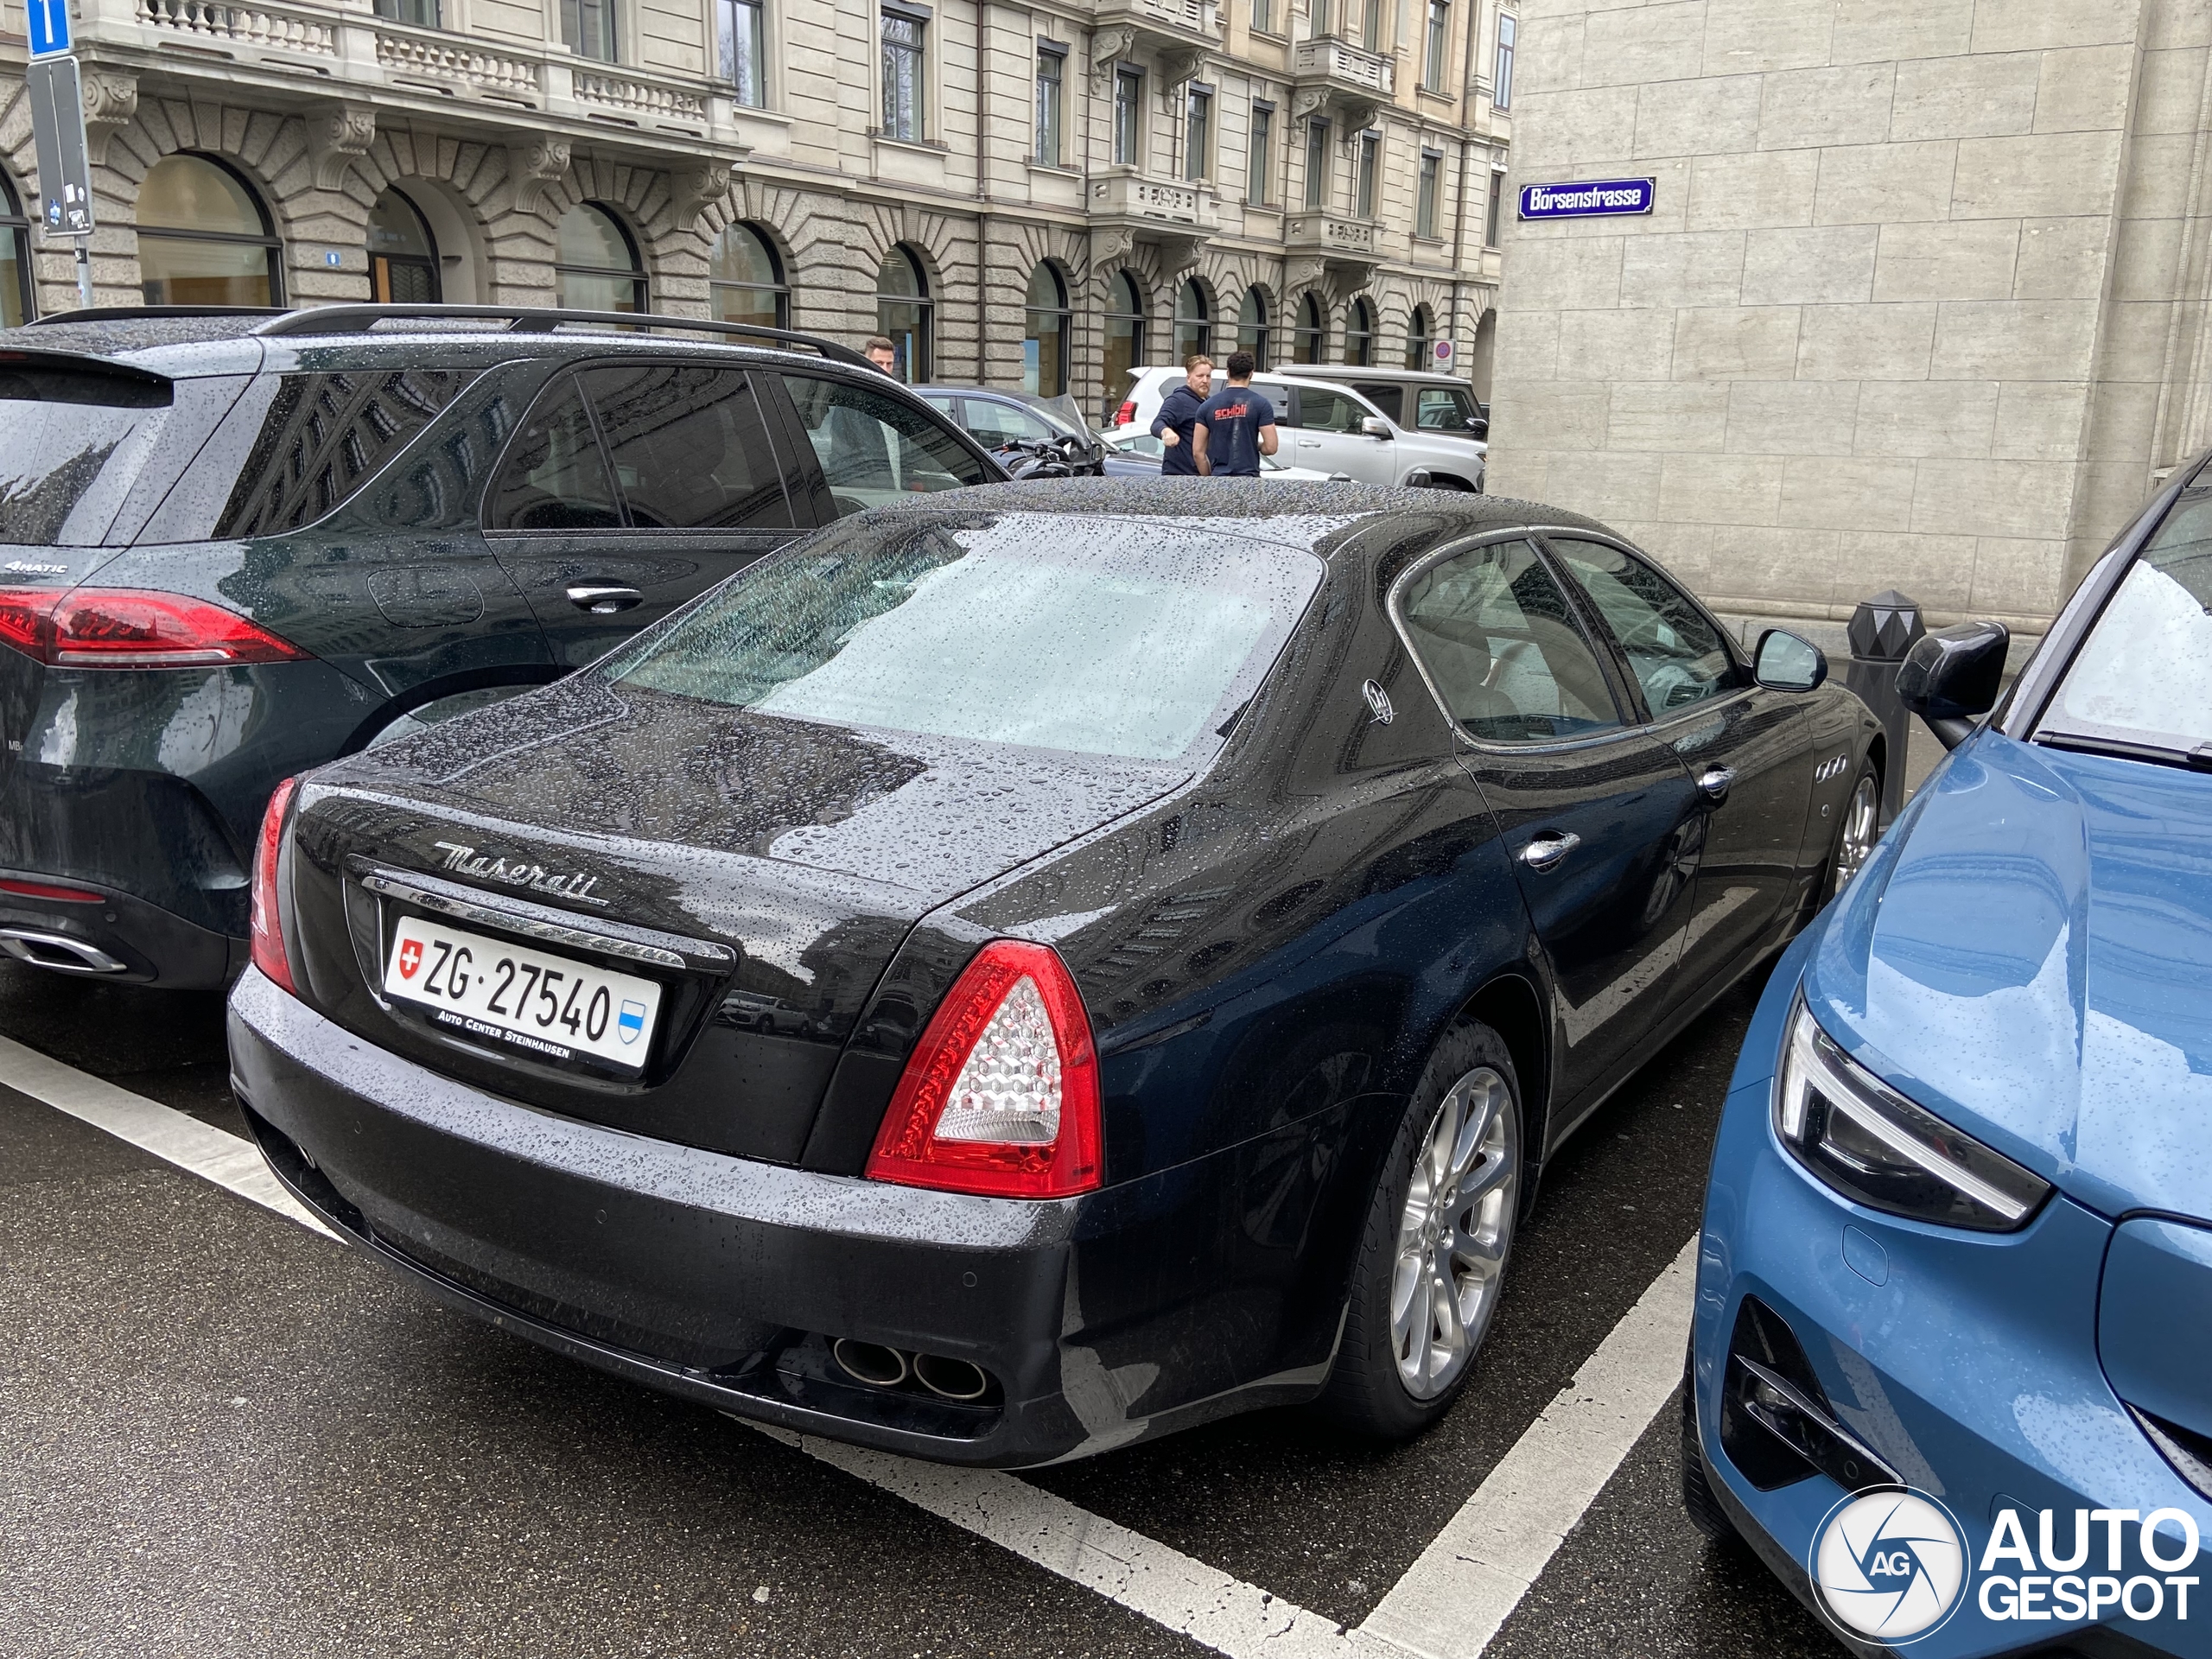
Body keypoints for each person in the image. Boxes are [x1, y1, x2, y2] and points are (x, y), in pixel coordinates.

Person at [1192, 353, 1279, 478]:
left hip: (1218, 478)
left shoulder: (1207, 406)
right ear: (1251, 374)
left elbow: (1198, 453)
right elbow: (1271, 448)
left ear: (1228, 372)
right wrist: (1254, 445)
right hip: (1249, 479)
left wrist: (1208, 477)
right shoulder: (1261, 404)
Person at [1150, 355, 1213, 476]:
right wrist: (1166, 432)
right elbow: (1157, 423)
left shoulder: (1209, 403)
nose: (1205, 380)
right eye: (1200, 376)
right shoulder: (1178, 400)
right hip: (1180, 476)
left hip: (1203, 476)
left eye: (1208, 376)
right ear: (1189, 378)